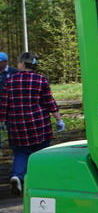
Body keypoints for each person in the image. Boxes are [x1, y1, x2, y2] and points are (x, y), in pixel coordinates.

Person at [0, 52, 63, 197]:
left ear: (22, 63)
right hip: (38, 123)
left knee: (21, 153)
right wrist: (59, 120)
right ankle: (41, 181)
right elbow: (49, 102)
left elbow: (4, 103)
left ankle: (18, 176)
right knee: (41, 152)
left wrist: (2, 121)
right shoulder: (41, 79)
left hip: (16, 124)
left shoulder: (11, 80)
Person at [0, 52, 15, 150]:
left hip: (10, 107)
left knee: (12, 129)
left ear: (5, 62)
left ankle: (14, 148)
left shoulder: (14, 72)